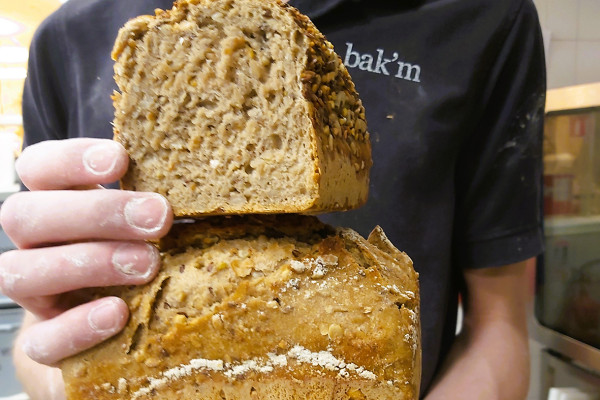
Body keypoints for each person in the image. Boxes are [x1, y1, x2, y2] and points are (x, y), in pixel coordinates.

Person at [0, 0, 546, 398]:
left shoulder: (482, 17)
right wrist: (76, 374)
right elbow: (38, 339)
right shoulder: (67, 37)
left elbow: (499, 328)